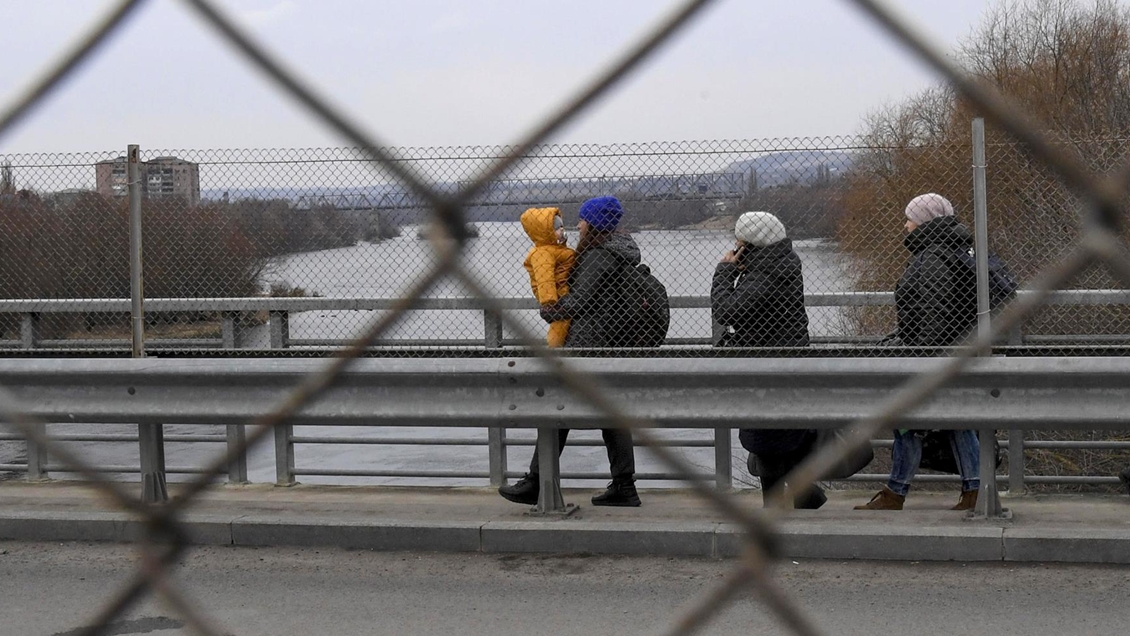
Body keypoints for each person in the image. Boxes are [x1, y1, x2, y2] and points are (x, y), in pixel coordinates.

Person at [498, 195, 642, 507]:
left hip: (588, 344)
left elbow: (582, 300)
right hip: (609, 343)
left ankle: (537, 481)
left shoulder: (598, 257)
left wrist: (551, 310)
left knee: (557, 408)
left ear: (595, 224)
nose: (578, 225)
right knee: (610, 416)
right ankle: (623, 486)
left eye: (583, 220)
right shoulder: (618, 250)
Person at [856, 193, 982, 511]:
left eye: (910, 219)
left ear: (924, 222)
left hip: (930, 356)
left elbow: (933, 315)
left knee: (909, 422)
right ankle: (971, 490)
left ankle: (900, 493)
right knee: (953, 421)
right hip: (953, 352)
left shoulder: (931, 259)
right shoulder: (953, 250)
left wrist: (916, 353)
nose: (906, 225)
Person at [712, 211, 824, 509]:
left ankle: (776, 506)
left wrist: (724, 271)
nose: (735, 245)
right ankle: (804, 494)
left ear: (749, 243)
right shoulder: (783, 263)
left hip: (765, 364)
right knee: (781, 435)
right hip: (786, 361)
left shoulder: (763, 276)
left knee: (767, 438)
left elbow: (726, 311)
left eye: (739, 240)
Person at [520, 207, 575, 347]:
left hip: (564, 291)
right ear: (545, 232)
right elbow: (545, 278)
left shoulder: (555, 249)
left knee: (565, 325)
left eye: (562, 226)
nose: (561, 230)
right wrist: (550, 301)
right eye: (557, 227)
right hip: (558, 296)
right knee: (560, 325)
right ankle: (554, 350)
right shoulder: (542, 253)